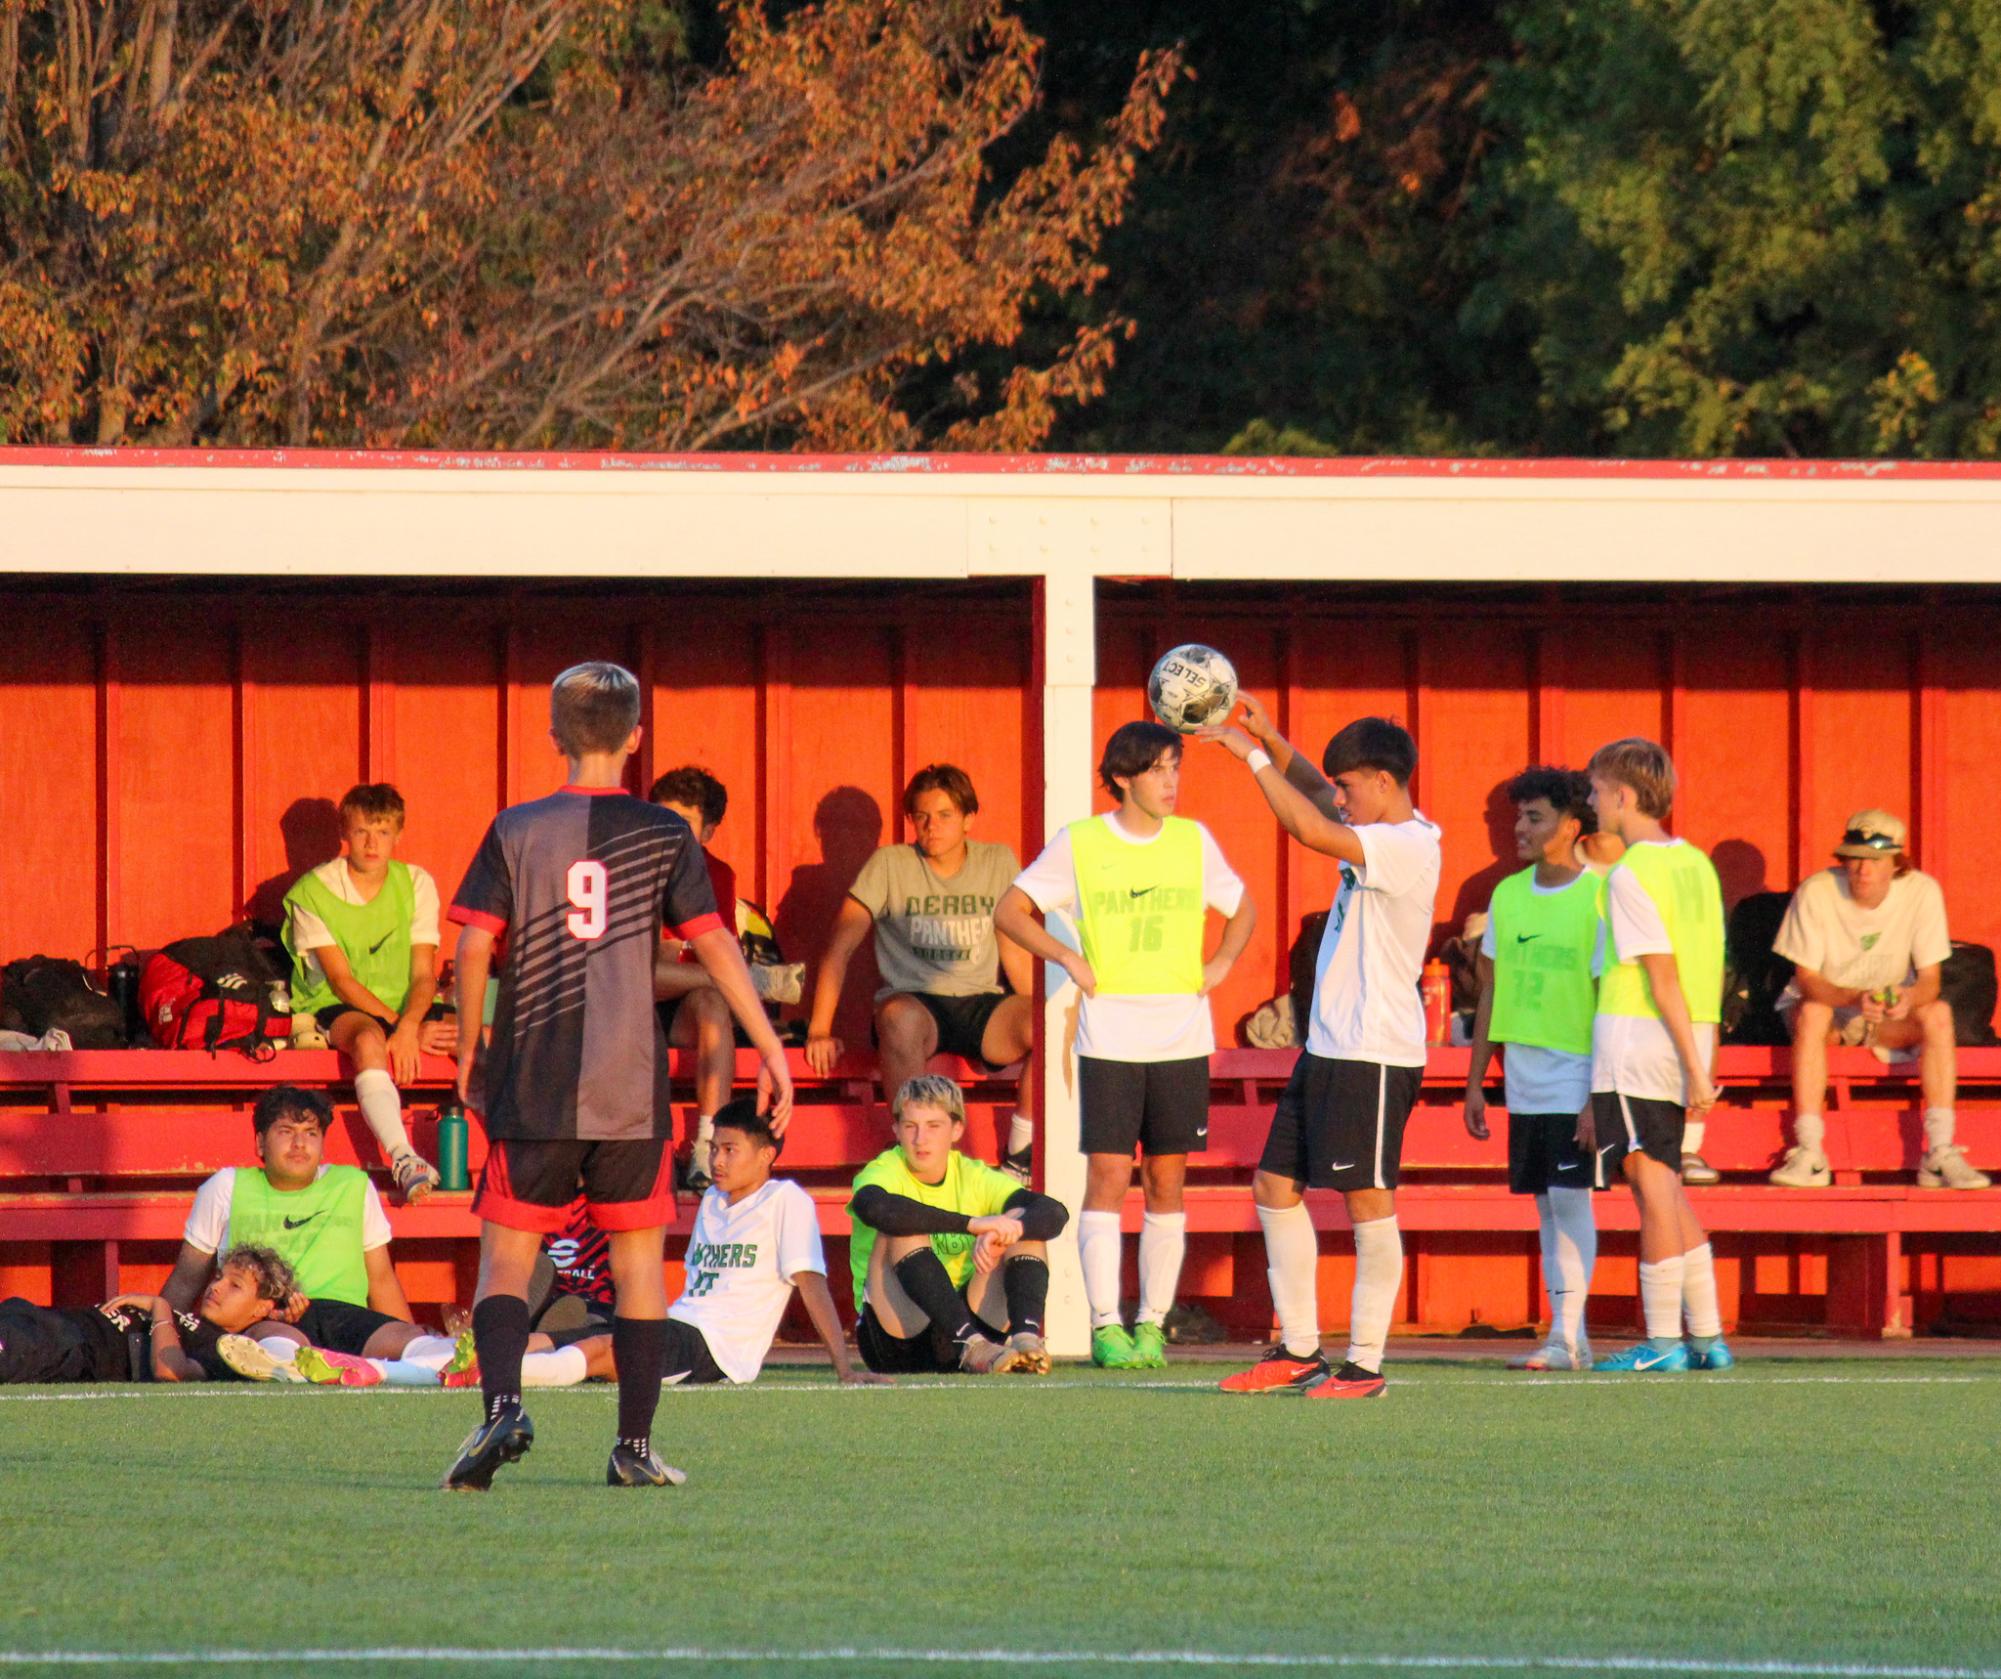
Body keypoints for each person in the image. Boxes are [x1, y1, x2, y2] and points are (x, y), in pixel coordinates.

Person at [443, 659, 794, 1492]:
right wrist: (769, 1045)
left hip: (533, 1079)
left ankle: (501, 1407)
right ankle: (632, 1447)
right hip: (630, 1091)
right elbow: (714, 945)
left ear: (556, 734)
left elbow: (471, 943)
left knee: (504, 1261)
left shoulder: (517, 827)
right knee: (640, 1270)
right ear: (636, 739)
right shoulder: (665, 833)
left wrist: (466, 1047)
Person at [994, 722, 1255, 1369]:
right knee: (1108, 1175)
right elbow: (1009, 909)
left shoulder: (1194, 841)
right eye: (1160, 769)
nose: (1172, 781)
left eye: (1176, 768)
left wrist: (1221, 961)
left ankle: (1153, 1324)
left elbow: (1241, 905)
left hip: (1181, 1038)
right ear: (1124, 776)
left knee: (1168, 1178)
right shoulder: (1080, 843)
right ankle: (1106, 1323)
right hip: (1108, 1036)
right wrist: (1064, 956)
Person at [1201, 704, 1439, 1401]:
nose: (1340, 796)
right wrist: (1267, 737)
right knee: (1274, 1187)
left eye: (1350, 785)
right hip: (1329, 1046)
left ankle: (1364, 1364)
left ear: (1387, 782)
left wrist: (1243, 757)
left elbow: (1306, 824)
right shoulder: (1373, 824)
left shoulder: (1408, 844)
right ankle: (1299, 1350)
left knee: (1368, 1201)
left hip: (1374, 1051)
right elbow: (1313, 795)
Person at [471, 1100, 890, 1391]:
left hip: (715, 1348)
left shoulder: (786, 1200)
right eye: (713, 1149)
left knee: (601, 1350)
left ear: (766, 1155)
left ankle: (493, 1376)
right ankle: (453, 1361)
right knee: (557, 1337)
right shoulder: (712, 1200)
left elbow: (810, 1283)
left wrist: (844, 1368)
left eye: (730, 1150)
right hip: (676, 1320)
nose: (717, 1161)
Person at [1581, 738, 1734, 1373]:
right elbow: (1711, 971)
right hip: (1685, 1038)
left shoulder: (1630, 872)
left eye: (1594, 791)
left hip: (1639, 1042)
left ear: (1622, 796)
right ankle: (1707, 1337)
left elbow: (1662, 973)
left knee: (1649, 1182)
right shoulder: (1697, 863)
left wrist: (1696, 1069)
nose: (1590, 803)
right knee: (1667, 1186)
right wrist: (1704, 1057)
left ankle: (1663, 1340)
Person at [805, 764, 1038, 1178]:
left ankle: (1020, 1152)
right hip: (915, 1002)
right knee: (897, 1017)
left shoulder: (997, 860)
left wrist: (1037, 1013)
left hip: (981, 1003)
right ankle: (916, 1160)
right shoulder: (890, 864)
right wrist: (819, 1029)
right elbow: (840, 944)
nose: (932, 827)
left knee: (1051, 1021)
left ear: (969, 819)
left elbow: (1014, 949)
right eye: (921, 817)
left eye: (945, 815)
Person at [157, 1085, 464, 1375]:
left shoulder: (353, 1185)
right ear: (261, 1143)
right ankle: (294, 1370)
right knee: (279, 1345)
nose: (300, 1144)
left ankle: (439, 1361)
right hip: (264, 1318)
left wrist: (403, 1329)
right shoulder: (226, 1186)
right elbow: (187, 1277)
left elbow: (381, 1279)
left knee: (415, 1344)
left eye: (311, 1133)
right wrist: (153, 1336)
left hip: (341, 1317)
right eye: (286, 1132)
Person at [1463, 768, 1605, 1371]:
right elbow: (1490, 990)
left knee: (1571, 1201)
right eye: (1518, 817)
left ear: (1571, 827)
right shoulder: (1508, 894)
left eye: (1534, 818)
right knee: (1546, 1206)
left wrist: (1598, 1093)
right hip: (1521, 1074)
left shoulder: (1599, 896)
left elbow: (1608, 999)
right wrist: (1476, 1081)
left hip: (1577, 1071)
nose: (1519, 828)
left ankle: (1564, 1336)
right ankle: (1571, 1332)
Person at [1769, 809, 1988, 1190]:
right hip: (1831, 1011)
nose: (1862, 870)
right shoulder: (1817, 891)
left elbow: (1931, 982)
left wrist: (1908, 999)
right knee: (1814, 1012)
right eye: (1854, 858)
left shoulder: (1922, 892)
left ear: (1897, 864)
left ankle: (1939, 1151)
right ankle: (1809, 1151)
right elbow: (1807, 981)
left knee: (1937, 1014)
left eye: (1874, 860)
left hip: (1885, 1017)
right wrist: (1853, 997)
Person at [283, 782, 454, 1203]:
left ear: (398, 834)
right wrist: (402, 1028)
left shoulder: (415, 883)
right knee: (367, 1039)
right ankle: (403, 1157)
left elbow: (423, 973)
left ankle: (522, 1153)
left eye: (382, 832)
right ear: (345, 833)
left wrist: (411, 1023)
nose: (372, 843)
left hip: (404, 1006)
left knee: (479, 1036)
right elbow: (341, 981)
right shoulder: (314, 891)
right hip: (339, 1005)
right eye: (361, 831)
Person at [848, 1074, 1069, 1376]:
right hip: (897, 1337)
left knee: (1021, 1222)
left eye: (933, 1127)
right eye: (910, 1126)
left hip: (966, 1331)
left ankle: (1026, 1342)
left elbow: (1054, 1213)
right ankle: (972, 1345)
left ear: (957, 1130)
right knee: (901, 1231)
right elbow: (876, 1208)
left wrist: (1007, 1228)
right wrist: (974, 1225)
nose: (920, 1139)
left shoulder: (972, 1175)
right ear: (896, 1129)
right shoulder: (883, 1170)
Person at [1, 1245, 295, 1385]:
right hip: (57, 1322)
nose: (216, 1287)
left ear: (262, 1307)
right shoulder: (194, 1322)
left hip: (77, 1349)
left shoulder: (224, 1347)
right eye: (218, 1277)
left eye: (235, 1285)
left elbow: (171, 1373)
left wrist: (161, 1309)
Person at [648, 767, 741, 1192]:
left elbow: (717, 948)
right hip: (623, 1006)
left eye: (681, 824)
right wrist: (710, 971)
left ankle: (707, 1143)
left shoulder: (716, 874)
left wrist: (698, 970)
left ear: (707, 832)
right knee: (638, 974)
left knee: (713, 1003)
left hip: (678, 1002)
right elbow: (627, 969)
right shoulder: (630, 866)